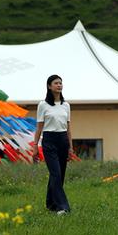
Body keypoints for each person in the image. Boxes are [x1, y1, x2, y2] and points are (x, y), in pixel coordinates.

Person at [32, 75, 72, 214]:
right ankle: (63, 207)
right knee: (55, 174)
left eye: (61, 83)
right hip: (49, 140)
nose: (59, 85)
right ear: (49, 86)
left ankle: (50, 204)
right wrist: (35, 146)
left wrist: (70, 147)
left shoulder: (66, 105)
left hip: (63, 140)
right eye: (56, 83)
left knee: (60, 175)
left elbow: (68, 127)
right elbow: (39, 127)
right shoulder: (43, 105)